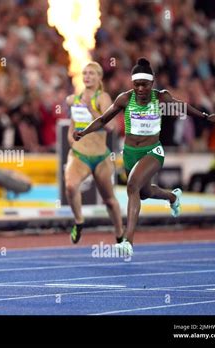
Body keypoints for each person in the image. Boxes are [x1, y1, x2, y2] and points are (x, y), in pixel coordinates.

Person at [74, 58, 215, 256]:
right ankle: (172, 196)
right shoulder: (124, 99)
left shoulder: (161, 98)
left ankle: (128, 242)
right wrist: (84, 132)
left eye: (144, 85)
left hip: (152, 151)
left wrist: (206, 116)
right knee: (143, 193)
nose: (140, 89)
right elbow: (103, 119)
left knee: (132, 186)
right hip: (130, 153)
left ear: (152, 83)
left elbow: (183, 107)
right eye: (136, 85)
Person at [64, 62, 124, 245]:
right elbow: (72, 126)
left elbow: (111, 127)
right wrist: (72, 141)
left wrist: (91, 110)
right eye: (85, 73)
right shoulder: (73, 99)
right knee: (71, 186)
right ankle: (79, 222)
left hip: (100, 157)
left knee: (110, 201)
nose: (87, 76)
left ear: (99, 78)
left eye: (91, 73)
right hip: (80, 155)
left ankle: (120, 235)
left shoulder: (102, 97)